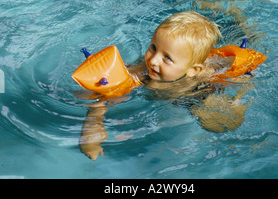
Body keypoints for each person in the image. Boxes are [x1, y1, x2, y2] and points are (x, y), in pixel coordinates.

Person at [79, 11, 249, 160]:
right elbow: (102, 98)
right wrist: (92, 129)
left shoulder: (205, 73)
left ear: (193, 69)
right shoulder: (142, 72)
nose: (153, 60)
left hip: (195, 92)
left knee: (222, 123)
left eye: (167, 58)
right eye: (153, 47)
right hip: (174, 95)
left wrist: (241, 90)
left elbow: (238, 67)